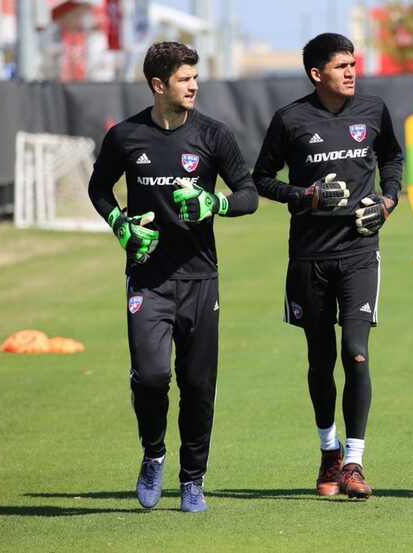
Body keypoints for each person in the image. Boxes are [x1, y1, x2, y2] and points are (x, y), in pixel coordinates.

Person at [88, 41, 258, 512]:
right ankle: (154, 453)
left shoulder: (214, 135)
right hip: (148, 279)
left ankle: (192, 479)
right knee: (151, 376)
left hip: (201, 280)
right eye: (185, 79)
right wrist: (120, 224)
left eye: (195, 78)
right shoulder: (126, 137)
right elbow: (98, 187)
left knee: (199, 385)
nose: (194, 86)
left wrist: (214, 202)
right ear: (159, 84)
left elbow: (248, 193)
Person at [252, 32, 403, 500]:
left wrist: (389, 199)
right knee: (320, 358)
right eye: (341, 66)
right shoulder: (290, 119)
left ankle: (354, 462)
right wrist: (305, 196)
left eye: (353, 64)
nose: (351, 72)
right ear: (317, 74)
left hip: (359, 252)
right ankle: (328, 451)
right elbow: (260, 179)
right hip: (309, 259)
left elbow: (393, 157)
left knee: (355, 351)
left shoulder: (373, 111)